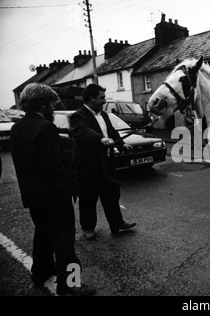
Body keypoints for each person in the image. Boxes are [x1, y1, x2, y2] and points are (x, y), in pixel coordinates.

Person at [10, 83, 95, 296]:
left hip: (33, 195)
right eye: (51, 104)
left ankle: (40, 272)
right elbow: (54, 167)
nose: (53, 109)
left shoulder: (17, 128)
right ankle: (71, 284)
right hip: (55, 196)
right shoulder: (46, 127)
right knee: (65, 241)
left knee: (43, 234)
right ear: (43, 104)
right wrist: (67, 191)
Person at [70, 84, 136, 240]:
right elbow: (83, 132)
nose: (104, 101)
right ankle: (88, 228)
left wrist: (121, 144)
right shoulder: (78, 116)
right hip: (87, 165)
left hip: (106, 163)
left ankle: (117, 224)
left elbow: (112, 132)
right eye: (102, 98)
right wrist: (100, 138)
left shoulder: (104, 115)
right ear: (92, 98)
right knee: (88, 197)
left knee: (111, 194)